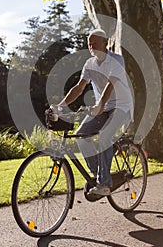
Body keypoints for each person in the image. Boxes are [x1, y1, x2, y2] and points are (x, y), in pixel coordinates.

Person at [57, 29, 134, 196]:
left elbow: (111, 84)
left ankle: (104, 184)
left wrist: (100, 105)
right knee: (81, 135)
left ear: (105, 44)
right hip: (103, 107)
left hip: (121, 106)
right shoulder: (90, 64)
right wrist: (60, 105)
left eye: (95, 44)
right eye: (89, 45)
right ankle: (98, 174)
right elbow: (79, 87)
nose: (91, 47)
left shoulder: (117, 60)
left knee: (105, 136)